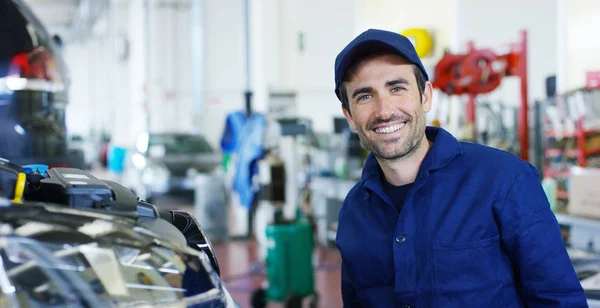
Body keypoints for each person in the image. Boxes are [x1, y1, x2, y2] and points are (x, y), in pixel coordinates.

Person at [333, 28, 587, 307]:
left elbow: (559, 300)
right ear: (350, 116)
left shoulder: (504, 181)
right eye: (364, 96)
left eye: (397, 88)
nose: (384, 110)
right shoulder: (354, 211)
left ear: (425, 96)